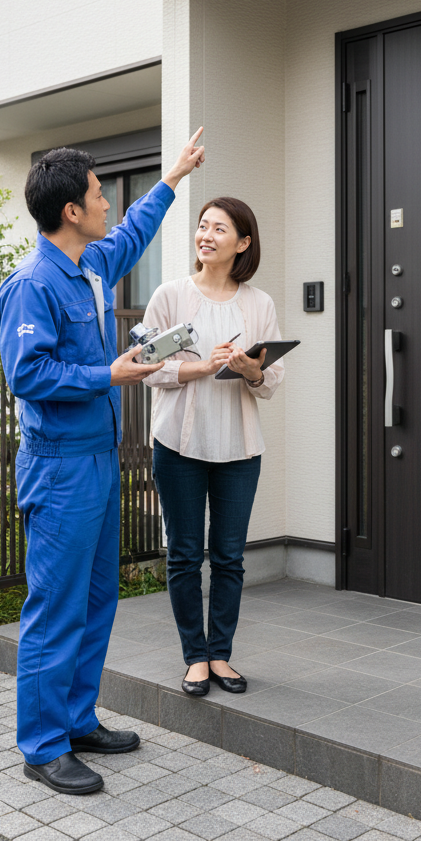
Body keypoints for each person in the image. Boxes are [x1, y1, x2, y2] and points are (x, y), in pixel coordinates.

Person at [0, 130, 205, 794]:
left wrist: (172, 177)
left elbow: (133, 233)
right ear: (71, 211)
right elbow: (28, 374)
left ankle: (76, 721)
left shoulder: (87, 265)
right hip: (59, 466)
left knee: (95, 599)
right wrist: (107, 375)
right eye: (97, 195)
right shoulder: (32, 284)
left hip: (98, 461)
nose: (107, 204)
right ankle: (42, 745)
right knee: (56, 606)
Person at [142, 197, 284, 696]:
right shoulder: (170, 295)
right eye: (203, 226)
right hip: (177, 446)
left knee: (228, 558)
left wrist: (252, 371)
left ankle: (220, 654)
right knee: (184, 556)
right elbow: (146, 367)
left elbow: (272, 381)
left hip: (239, 449)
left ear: (243, 243)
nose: (205, 235)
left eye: (219, 229)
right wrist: (203, 366)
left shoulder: (259, 304)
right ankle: (194, 657)